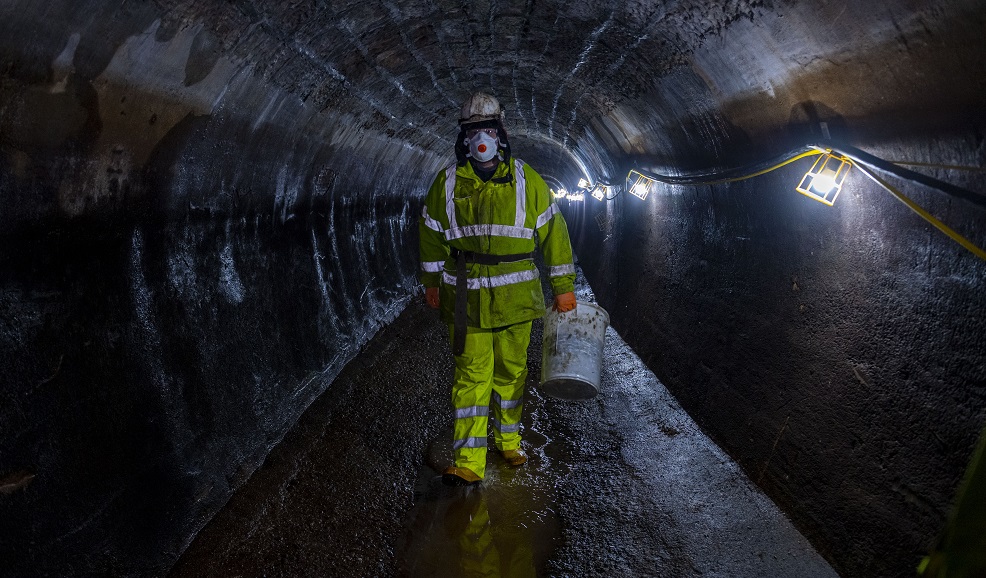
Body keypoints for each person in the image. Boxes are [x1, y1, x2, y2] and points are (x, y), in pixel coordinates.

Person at [418, 92, 577, 486]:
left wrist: (563, 287)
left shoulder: (527, 181)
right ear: (464, 138)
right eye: (473, 132)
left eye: (487, 130)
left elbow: (554, 234)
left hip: (517, 300)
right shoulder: (448, 183)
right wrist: (431, 281)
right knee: (472, 377)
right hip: (466, 300)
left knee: (511, 373)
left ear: (501, 134)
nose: (481, 139)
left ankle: (509, 440)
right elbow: (431, 235)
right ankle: (469, 460)